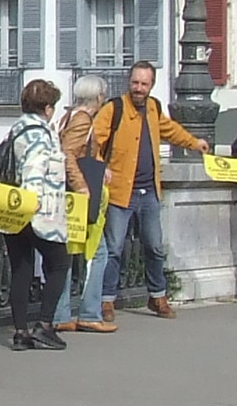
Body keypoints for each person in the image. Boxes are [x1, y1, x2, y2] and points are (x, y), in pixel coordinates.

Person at [87, 61, 204, 320]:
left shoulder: (153, 108)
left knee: (153, 246)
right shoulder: (114, 108)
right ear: (129, 82)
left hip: (149, 190)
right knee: (114, 248)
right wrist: (99, 167)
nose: (139, 88)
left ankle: (158, 296)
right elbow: (94, 139)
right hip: (120, 191)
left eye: (144, 84)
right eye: (135, 83)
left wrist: (194, 142)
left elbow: (169, 130)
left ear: (151, 85)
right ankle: (107, 300)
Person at [1, 78, 70, 351]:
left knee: (21, 268)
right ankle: (44, 325)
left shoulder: (16, 130)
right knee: (60, 264)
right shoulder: (41, 134)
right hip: (39, 211)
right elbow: (34, 170)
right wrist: (34, 203)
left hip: (11, 206)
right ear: (48, 107)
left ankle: (20, 331)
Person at [55, 74, 114, 332]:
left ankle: (62, 314)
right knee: (97, 252)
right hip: (78, 196)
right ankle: (89, 312)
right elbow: (69, 154)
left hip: (67, 194)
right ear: (98, 97)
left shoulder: (68, 116)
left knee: (68, 251)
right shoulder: (83, 119)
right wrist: (82, 185)